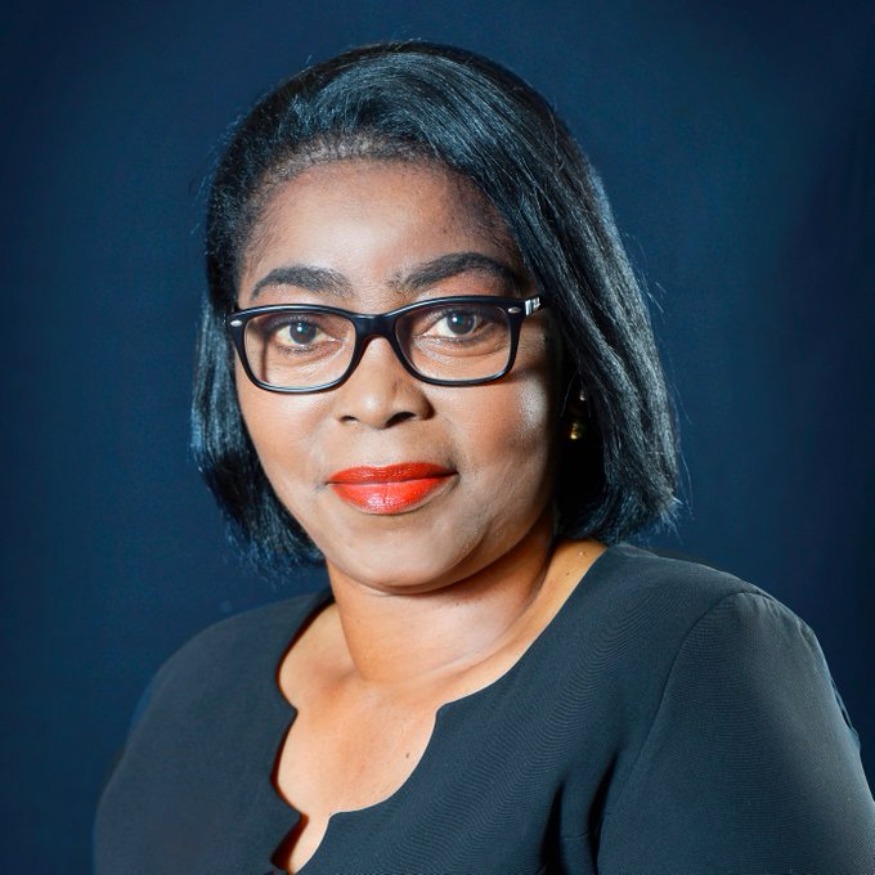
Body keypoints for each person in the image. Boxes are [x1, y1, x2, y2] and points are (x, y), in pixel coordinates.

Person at [94, 42, 875, 873]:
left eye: (457, 319)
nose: (375, 398)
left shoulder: (690, 660)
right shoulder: (193, 695)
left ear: (573, 356)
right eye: (300, 328)